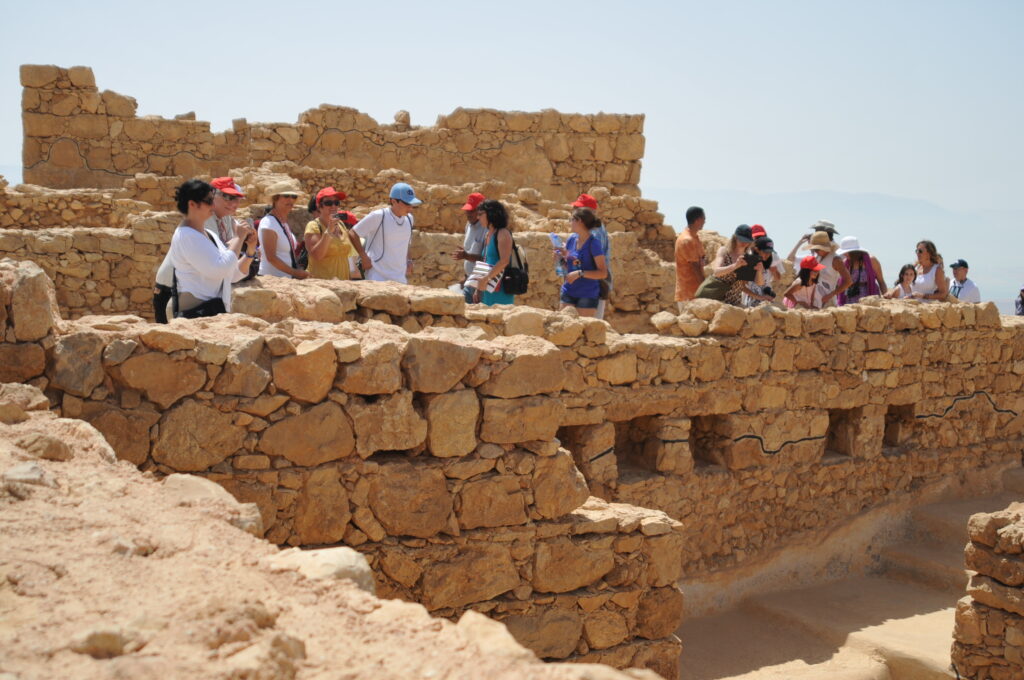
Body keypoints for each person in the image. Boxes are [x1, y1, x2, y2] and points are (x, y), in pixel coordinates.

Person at [153, 176, 251, 322]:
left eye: (236, 198)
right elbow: (221, 263)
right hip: (173, 289)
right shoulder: (196, 227)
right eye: (227, 197)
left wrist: (248, 250)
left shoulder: (221, 221)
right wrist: (239, 239)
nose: (234, 203)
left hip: (201, 293)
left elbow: (226, 261)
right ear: (193, 204)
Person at [352, 182, 421, 283]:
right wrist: (364, 256)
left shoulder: (409, 219)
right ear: (394, 201)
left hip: (400, 278)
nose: (410, 208)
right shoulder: (379, 216)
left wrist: (409, 260)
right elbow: (353, 233)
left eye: (412, 204)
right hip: (377, 277)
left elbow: (406, 243)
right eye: (407, 204)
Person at [303, 187, 368, 280]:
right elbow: (317, 255)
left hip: (342, 283)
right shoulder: (314, 226)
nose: (333, 206)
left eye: (336, 203)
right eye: (328, 203)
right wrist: (328, 232)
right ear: (319, 206)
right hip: (322, 284)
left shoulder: (340, 224)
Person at [554, 207, 608, 317]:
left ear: (579, 221)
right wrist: (559, 258)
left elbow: (603, 273)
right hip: (568, 290)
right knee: (564, 328)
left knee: (583, 330)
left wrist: (580, 273)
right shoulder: (571, 239)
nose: (570, 223)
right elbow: (569, 266)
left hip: (587, 294)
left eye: (571, 219)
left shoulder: (594, 244)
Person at [696, 224, 764, 305]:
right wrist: (735, 265)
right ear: (735, 237)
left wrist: (759, 271)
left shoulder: (748, 258)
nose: (744, 242)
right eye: (741, 239)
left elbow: (754, 284)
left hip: (733, 301)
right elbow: (716, 272)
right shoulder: (724, 251)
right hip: (714, 297)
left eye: (746, 240)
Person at [571, 194, 613, 320]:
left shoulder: (595, 232)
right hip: (587, 281)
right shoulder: (590, 231)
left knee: (591, 325)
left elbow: (593, 262)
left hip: (593, 282)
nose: (574, 211)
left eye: (578, 209)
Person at [258, 180, 310, 279]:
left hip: (285, 278)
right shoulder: (269, 223)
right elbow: (271, 258)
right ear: (275, 198)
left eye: (293, 197)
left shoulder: (282, 223)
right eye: (286, 196)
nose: (290, 200)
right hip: (272, 279)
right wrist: (295, 272)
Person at [473, 199, 516, 306]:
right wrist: (477, 288)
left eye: (480, 214)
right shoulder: (488, 234)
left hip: (500, 288)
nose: (477, 217)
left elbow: (504, 261)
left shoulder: (503, 233)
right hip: (487, 287)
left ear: (491, 214)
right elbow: (485, 261)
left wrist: (486, 278)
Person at [797, 231, 851, 307]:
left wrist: (831, 295)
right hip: (813, 302)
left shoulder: (836, 260)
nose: (815, 251)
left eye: (817, 249)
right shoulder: (817, 258)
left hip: (828, 303)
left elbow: (848, 281)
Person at [452, 192, 487, 303]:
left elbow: (486, 259)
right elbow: (470, 252)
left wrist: (466, 256)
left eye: (472, 211)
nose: (468, 214)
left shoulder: (486, 230)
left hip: (479, 284)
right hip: (468, 280)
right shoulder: (469, 225)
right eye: (467, 210)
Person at [836, 236, 887, 304]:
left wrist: (886, 297)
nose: (844, 254)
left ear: (855, 252)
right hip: (850, 300)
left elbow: (881, 281)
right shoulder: (845, 263)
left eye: (847, 252)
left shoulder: (872, 260)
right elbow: (840, 284)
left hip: (870, 299)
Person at [674, 206, 706, 310]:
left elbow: (701, 260)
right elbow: (695, 267)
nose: (705, 221)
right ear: (698, 220)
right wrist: (705, 288)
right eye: (704, 218)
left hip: (694, 293)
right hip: (688, 294)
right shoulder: (687, 240)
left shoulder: (695, 238)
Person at [743, 235, 781, 306]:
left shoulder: (770, 260)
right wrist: (760, 297)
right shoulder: (749, 262)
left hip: (767, 302)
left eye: (770, 252)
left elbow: (778, 278)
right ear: (757, 249)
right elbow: (742, 287)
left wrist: (774, 271)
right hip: (751, 305)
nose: (768, 255)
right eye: (765, 252)